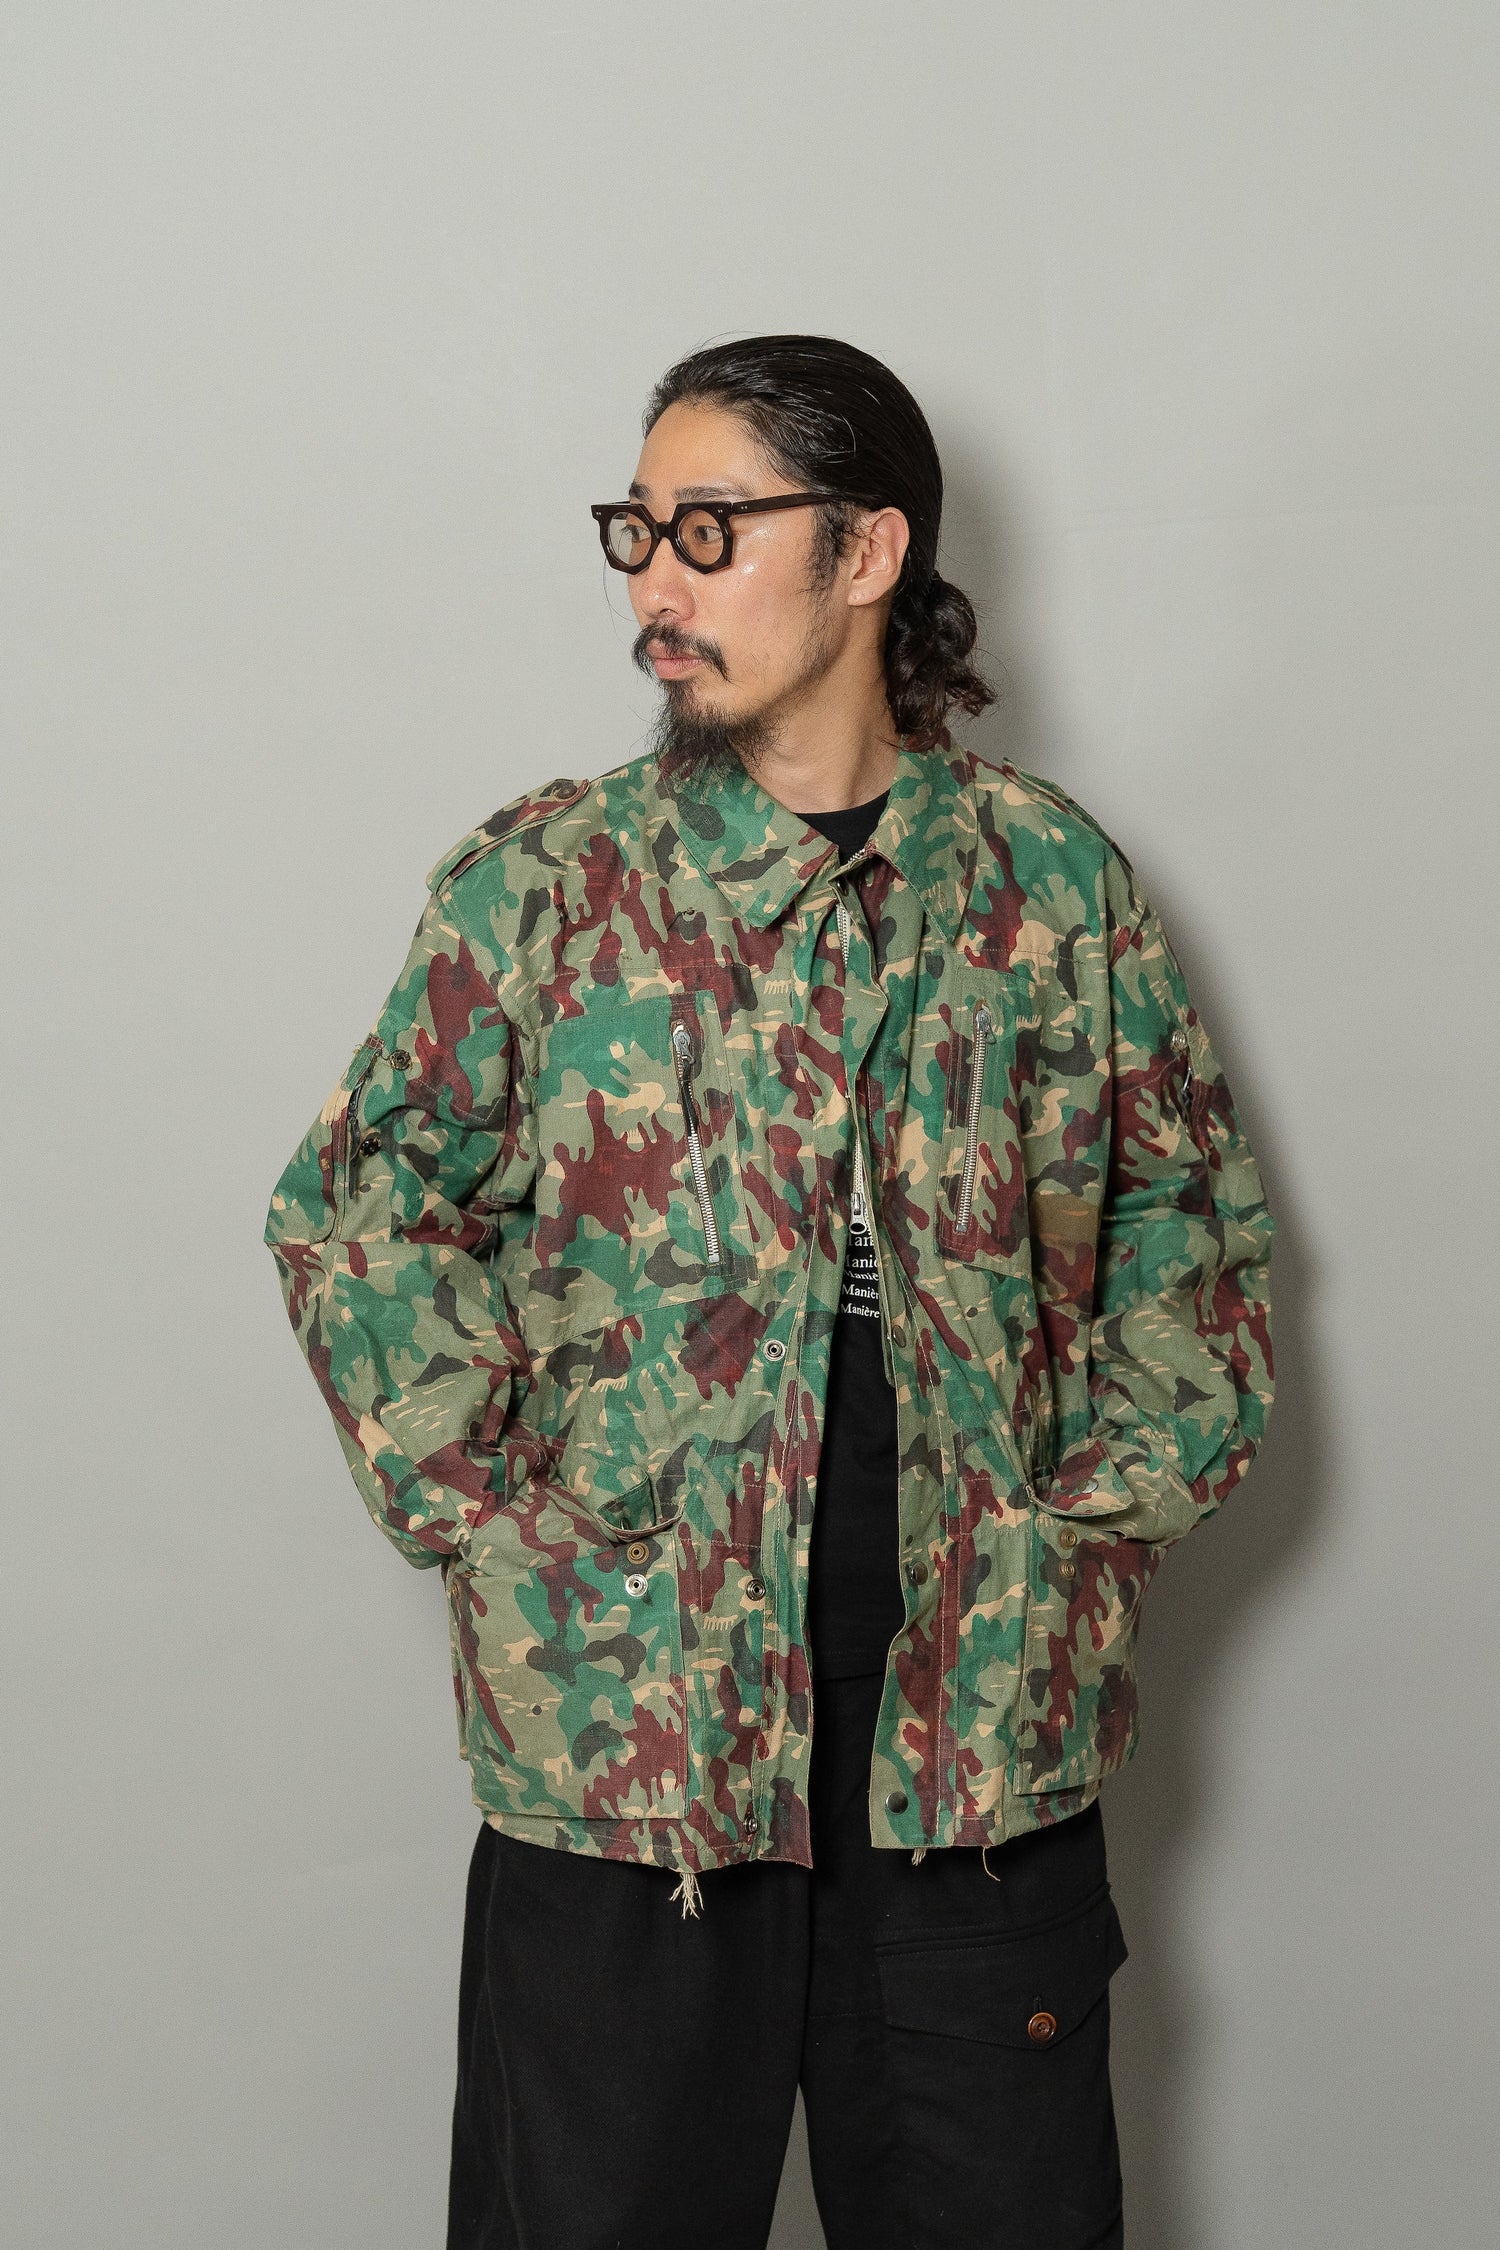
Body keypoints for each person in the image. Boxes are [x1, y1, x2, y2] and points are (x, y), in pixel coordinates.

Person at [264, 333, 1275, 2250]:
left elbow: (1191, 1231)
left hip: (970, 1757)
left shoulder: (1050, 887)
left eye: (713, 529)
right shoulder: (548, 889)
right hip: (631, 1757)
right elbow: (356, 1208)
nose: (659, 580)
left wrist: (1085, 1530)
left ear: (868, 551)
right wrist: (498, 1522)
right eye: (639, 528)